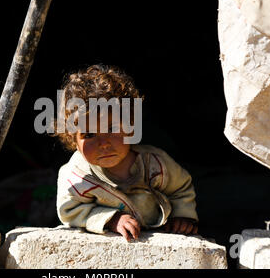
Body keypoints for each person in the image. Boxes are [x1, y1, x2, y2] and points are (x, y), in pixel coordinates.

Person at [53, 64, 198, 241]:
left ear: (130, 127)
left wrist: (182, 216)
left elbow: (181, 188)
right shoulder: (76, 177)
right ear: (73, 138)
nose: (103, 143)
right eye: (89, 135)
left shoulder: (154, 164)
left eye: (112, 128)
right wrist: (110, 219)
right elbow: (69, 211)